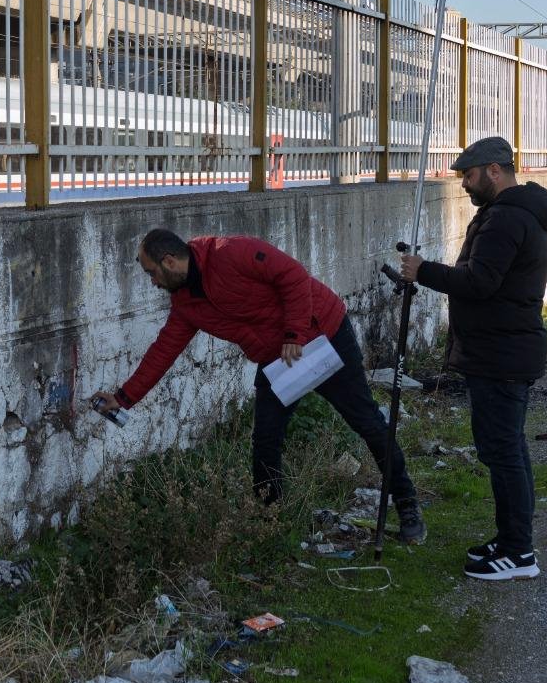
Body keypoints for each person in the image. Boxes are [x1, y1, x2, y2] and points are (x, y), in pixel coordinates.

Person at [93, 228, 425, 543]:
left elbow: (292, 275)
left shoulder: (229, 252)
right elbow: (164, 350)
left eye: (152, 273)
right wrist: (123, 397)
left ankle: (407, 505)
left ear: (168, 261)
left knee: (366, 421)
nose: (152, 283)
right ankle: (269, 519)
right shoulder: (186, 304)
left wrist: (295, 332)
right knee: (266, 436)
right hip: (277, 358)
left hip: (323, 333)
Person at [399, 136, 547, 581]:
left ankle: (518, 554)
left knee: (503, 452)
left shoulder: (507, 218)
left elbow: (479, 282)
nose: (465, 185)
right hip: (504, 350)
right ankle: (511, 538)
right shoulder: (514, 214)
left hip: (501, 355)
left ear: (494, 170)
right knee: (507, 450)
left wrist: (423, 271)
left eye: (469, 175)